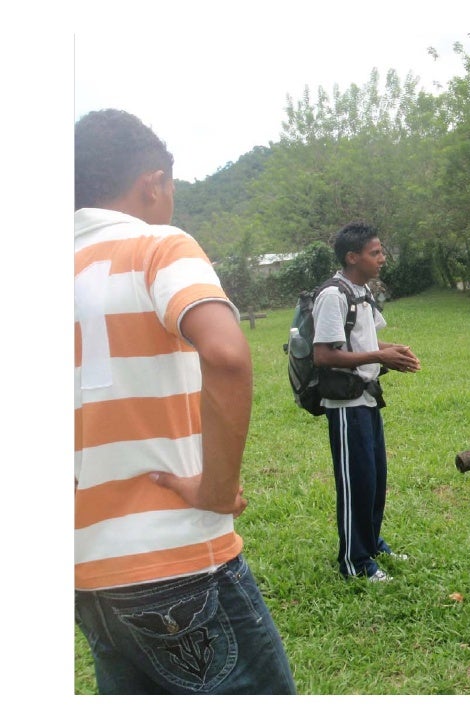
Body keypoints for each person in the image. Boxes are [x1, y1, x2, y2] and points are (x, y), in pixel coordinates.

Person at [74, 109, 296, 694]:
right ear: (153, 184)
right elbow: (226, 355)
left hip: (87, 575)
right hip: (177, 560)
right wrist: (217, 489)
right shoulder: (158, 247)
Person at [313, 221, 422, 582]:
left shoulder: (361, 291)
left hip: (367, 398)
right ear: (352, 257)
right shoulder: (333, 295)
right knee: (355, 483)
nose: (382, 258)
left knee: (374, 478)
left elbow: (367, 341)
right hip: (346, 404)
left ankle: (372, 544)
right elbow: (323, 355)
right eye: (375, 253)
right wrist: (380, 356)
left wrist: (394, 350)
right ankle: (355, 562)